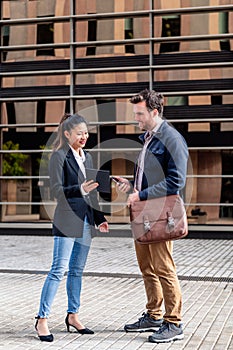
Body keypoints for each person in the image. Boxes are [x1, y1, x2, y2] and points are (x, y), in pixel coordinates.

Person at [115, 89, 189, 344]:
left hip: (158, 215)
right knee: (146, 266)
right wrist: (132, 186)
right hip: (143, 212)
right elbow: (149, 176)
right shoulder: (148, 138)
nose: (135, 117)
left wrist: (142, 193)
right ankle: (154, 314)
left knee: (163, 267)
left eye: (139, 113)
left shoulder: (172, 139)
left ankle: (174, 322)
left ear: (154, 112)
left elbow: (176, 181)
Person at [35, 113, 109, 342]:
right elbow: (57, 191)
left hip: (86, 221)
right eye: (80, 133)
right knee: (58, 270)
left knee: (77, 271)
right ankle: (42, 319)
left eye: (86, 133)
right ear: (67, 134)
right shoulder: (58, 156)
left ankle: (73, 316)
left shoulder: (87, 157)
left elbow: (93, 191)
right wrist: (81, 189)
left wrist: (99, 218)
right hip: (66, 220)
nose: (84, 137)